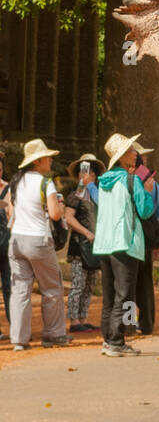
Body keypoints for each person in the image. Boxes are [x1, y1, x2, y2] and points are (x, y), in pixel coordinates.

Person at [92, 132, 156, 358]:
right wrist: (147, 192)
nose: (135, 153)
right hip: (125, 243)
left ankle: (109, 338)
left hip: (104, 244)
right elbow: (146, 210)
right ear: (121, 157)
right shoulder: (132, 180)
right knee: (125, 294)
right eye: (130, 150)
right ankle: (117, 340)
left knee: (110, 295)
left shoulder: (104, 182)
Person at [6, 138, 68, 350]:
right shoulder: (45, 183)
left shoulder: (16, 181)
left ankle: (19, 339)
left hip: (16, 240)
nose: (50, 161)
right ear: (38, 161)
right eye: (48, 158)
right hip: (38, 240)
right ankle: (53, 333)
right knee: (51, 286)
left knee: (20, 290)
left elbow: (12, 211)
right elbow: (54, 215)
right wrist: (60, 206)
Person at [64, 152, 103, 333]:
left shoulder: (98, 194)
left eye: (89, 172)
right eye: (83, 171)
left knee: (90, 284)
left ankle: (83, 317)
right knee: (78, 284)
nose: (86, 175)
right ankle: (74, 320)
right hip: (80, 245)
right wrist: (86, 232)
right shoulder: (76, 195)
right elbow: (68, 217)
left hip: (95, 245)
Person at [132, 145, 159, 336]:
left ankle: (129, 324)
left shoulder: (133, 180)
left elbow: (145, 210)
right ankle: (146, 323)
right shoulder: (152, 182)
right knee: (144, 282)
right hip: (146, 237)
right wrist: (157, 241)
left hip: (131, 238)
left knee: (127, 284)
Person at [0, 150, 11, 335]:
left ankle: (15, 327)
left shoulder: (8, 188)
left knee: (11, 287)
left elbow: (12, 215)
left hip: (7, 244)